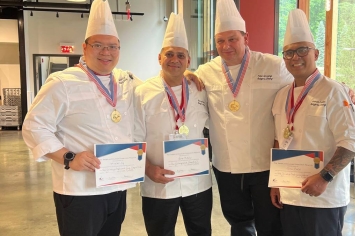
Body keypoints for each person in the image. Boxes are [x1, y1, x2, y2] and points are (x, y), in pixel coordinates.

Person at [22, 0, 142, 235]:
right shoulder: (63, 82)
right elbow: (34, 127)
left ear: (119, 49)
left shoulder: (125, 80)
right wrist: (68, 157)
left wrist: (188, 76)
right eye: (98, 45)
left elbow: (156, 91)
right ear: (84, 48)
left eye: (112, 46)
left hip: (117, 184)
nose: (106, 52)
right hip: (80, 190)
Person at [191, 0, 294, 235]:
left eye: (232, 39)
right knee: (238, 222)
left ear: (245, 37)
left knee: (270, 222)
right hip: (226, 164)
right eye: (220, 41)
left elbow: (305, 79)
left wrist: (340, 86)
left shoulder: (272, 65)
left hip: (264, 164)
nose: (226, 46)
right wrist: (185, 73)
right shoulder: (206, 71)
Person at [269, 9, 355, 236]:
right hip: (289, 193)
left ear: (316, 53)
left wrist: (325, 177)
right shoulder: (282, 95)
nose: (295, 57)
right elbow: (279, 139)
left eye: (302, 50)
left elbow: (354, 141)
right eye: (289, 52)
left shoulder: (334, 91)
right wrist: (276, 182)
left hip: (324, 197)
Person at [133, 13, 212, 236]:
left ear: (188, 60)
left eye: (180, 55)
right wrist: (147, 169)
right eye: (169, 54)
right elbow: (134, 137)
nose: (174, 59)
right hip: (158, 183)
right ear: (159, 57)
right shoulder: (142, 93)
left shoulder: (200, 89)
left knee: (201, 231)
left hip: (197, 183)